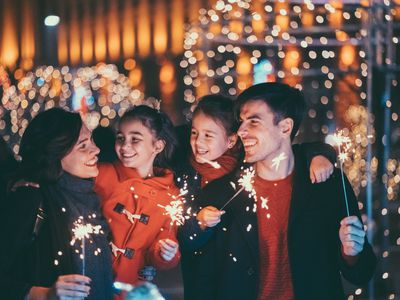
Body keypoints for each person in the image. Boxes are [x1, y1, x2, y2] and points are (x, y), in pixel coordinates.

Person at [195, 83, 376, 300]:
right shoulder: (222, 193)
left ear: (285, 127)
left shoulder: (327, 183)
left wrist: (351, 253)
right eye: (241, 122)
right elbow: (204, 277)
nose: (242, 131)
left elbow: (362, 272)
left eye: (253, 121)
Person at [175, 94, 338, 299]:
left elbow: (290, 149)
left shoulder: (246, 163)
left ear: (231, 140)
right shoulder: (182, 168)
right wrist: (199, 223)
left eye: (208, 135)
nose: (198, 142)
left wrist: (320, 153)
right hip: (202, 281)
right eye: (194, 133)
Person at [0, 108, 113, 300]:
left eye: (91, 140)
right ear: (55, 155)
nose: (96, 150)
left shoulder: (90, 197)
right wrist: (42, 294)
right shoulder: (30, 200)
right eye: (82, 146)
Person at [94, 105, 181, 287]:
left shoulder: (171, 196)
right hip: (94, 283)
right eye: (120, 138)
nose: (125, 146)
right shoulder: (101, 174)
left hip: (130, 289)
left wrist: (166, 254)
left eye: (135, 139)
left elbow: (161, 245)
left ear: (158, 145)